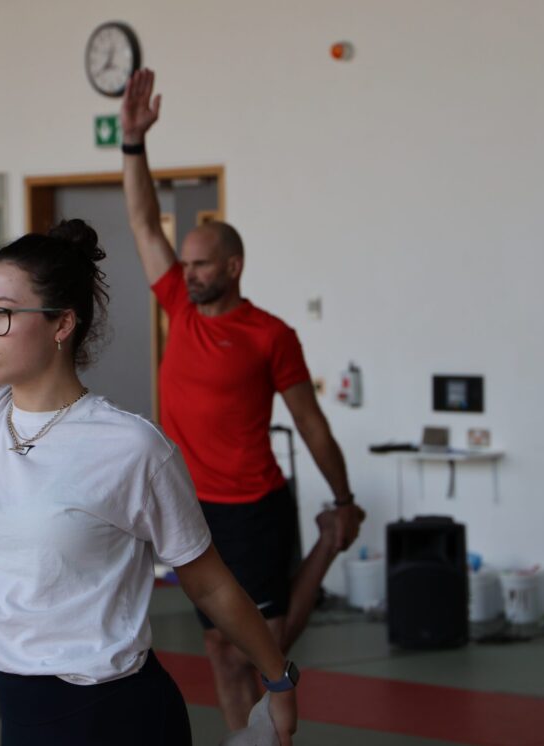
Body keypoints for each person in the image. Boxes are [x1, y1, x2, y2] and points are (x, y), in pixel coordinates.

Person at [0, 30, 298, 745]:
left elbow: (208, 582)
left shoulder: (130, 446)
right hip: (23, 712)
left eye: (4, 314)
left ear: (63, 324)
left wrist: (279, 679)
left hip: (116, 715)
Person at [120, 68, 365, 730]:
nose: (187, 272)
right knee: (217, 645)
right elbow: (143, 223)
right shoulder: (181, 308)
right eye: (187, 264)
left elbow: (311, 424)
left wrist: (341, 499)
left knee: (266, 646)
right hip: (191, 507)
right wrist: (134, 144)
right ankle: (243, 741)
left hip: (253, 506)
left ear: (231, 267)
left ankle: (325, 546)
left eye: (201, 264)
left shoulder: (269, 335)